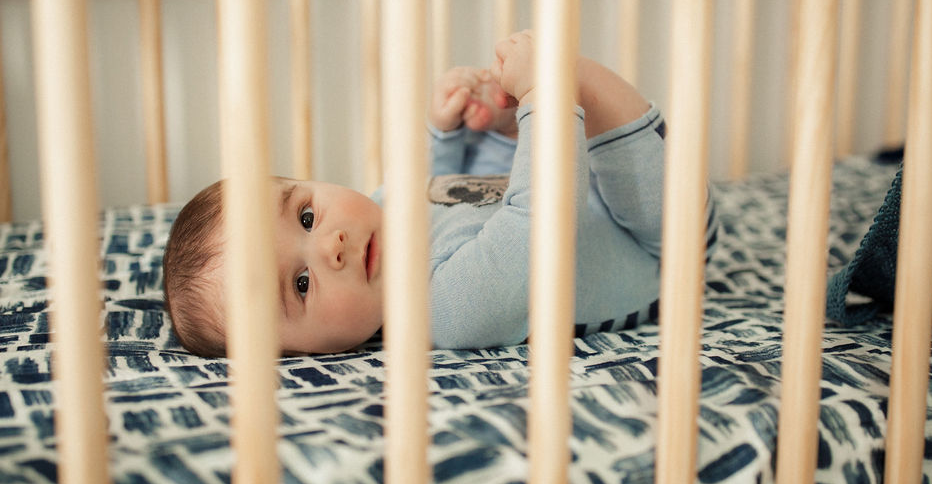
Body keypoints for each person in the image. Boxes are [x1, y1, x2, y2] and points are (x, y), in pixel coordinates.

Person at [162, 30, 718, 357]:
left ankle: (512, 123)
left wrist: (444, 131)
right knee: (573, 102)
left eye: (306, 217)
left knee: (482, 155)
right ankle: (565, 83)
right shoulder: (444, 310)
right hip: (659, 248)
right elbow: (541, 222)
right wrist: (544, 94)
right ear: (312, 353)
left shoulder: (382, 212)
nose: (330, 245)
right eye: (301, 284)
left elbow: (427, 184)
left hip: (580, 188)